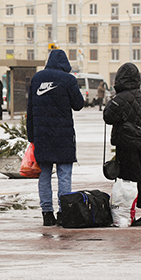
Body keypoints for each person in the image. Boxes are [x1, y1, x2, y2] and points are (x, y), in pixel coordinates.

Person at [27, 49, 84, 226]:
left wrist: (32, 137)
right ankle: (64, 212)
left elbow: (30, 111)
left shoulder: (37, 79)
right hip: (63, 136)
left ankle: (47, 214)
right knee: (64, 175)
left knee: (44, 175)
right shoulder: (68, 79)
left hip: (42, 136)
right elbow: (79, 105)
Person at [104, 63, 141, 226]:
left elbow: (108, 116)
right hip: (139, 143)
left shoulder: (121, 98)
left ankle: (125, 214)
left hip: (125, 143)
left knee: (127, 180)